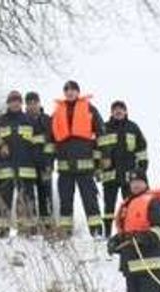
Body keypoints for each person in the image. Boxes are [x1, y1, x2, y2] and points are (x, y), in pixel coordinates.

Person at [50, 80, 106, 237]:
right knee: (65, 203)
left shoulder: (89, 109)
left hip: (86, 168)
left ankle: (96, 233)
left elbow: (101, 136)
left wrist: (99, 162)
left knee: (90, 202)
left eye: (73, 90)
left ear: (78, 92)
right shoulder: (57, 113)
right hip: (64, 168)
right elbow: (51, 139)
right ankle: (65, 234)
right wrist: (49, 162)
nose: (70, 92)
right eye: (67, 90)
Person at [0, 90, 39, 237]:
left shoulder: (30, 121)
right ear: (8, 103)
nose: (15, 103)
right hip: (5, 169)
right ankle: (2, 229)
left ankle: (27, 230)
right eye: (12, 100)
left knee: (27, 200)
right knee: (3, 200)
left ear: (21, 103)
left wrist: (36, 163)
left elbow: (38, 145)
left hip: (26, 169)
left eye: (17, 100)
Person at [98, 100, 149, 236]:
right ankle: (107, 232)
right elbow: (97, 150)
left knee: (130, 205)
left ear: (126, 111)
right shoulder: (104, 128)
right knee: (109, 206)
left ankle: (128, 230)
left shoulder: (133, 128)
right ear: (111, 112)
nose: (118, 111)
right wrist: (98, 168)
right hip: (110, 175)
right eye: (115, 109)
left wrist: (141, 171)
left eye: (121, 109)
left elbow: (142, 150)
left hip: (129, 176)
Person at [25, 91, 56, 235]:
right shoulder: (22, 120)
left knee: (46, 197)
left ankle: (48, 228)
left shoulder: (48, 120)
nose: (32, 106)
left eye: (34, 102)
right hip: (28, 166)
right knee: (28, 197)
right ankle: (31, 229)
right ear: (26, 105)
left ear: (39, 103)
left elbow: (54, 142)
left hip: (45, 165)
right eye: (29, 103)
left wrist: (51, 161)